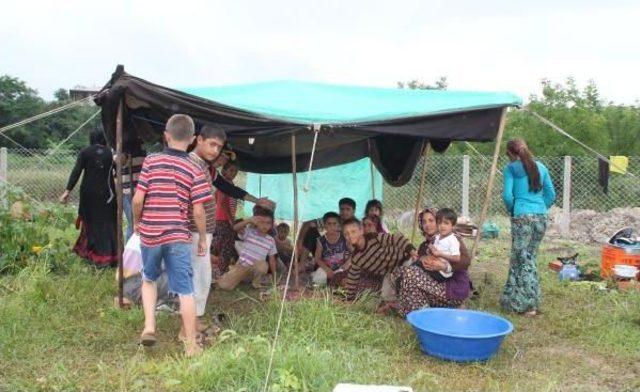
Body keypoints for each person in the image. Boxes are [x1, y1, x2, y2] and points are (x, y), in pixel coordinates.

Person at [132, 114, 211, 357]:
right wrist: (202, 237)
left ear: (166, 136)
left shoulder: (151, 161)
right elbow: (198, 210)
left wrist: (137, 221)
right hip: (178, 235)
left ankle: (149, 326)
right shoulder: (194, 168)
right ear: (192, 140)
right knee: (185, 290)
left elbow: (137, 198)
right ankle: (190, 345)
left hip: (151, 233)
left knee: (149, 279)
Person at [500, 138, 556, 316]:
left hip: (521, 216)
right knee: (529, 257)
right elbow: (551, 194)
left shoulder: (510, 169)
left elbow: (508, 196)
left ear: (510, 153)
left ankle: (527, 304)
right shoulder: (541, 167)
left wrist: (515, 210)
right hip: (540, 217)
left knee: (521, 259)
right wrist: (539, 208)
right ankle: (513, 300)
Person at [394, 207, 472, 317]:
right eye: (424, 222)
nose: (427, 224)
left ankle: (422, 313)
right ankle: (422, 311)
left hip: (452, 287)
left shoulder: (452, 238)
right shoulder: (424, 246)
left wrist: (444, 267)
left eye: (431, 220)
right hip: (435, 284)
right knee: (401, 272)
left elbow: (466, 261)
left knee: (410, 274)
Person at [59, 127, 117, 268]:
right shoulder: (110, 153)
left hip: (88, 194)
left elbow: (77, 171)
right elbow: (115, 172)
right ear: (104, 138)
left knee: (91, 222)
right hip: (107, 195)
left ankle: (93, 254)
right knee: (106, 223)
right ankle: (110, 256)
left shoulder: (85, 152)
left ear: (92, 138)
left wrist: (67, 191)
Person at [341, 218, 416, 300]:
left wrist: (412, 251)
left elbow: (397, 238)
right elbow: (352, 280)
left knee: (408, 285)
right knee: (386, 297)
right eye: (346, 234)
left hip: (404, 261)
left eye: (353, 231)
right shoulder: (356, 259)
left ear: (361, 231)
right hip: (390, 273)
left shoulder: (375, 237)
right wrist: (348, 299)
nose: (350, 235)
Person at [217, 206, 278, 291]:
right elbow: (235, 228)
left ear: (272, 224)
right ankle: (235, 275)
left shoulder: (271, 240)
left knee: (262, 265)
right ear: (256, 222)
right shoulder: (249, 232)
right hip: (242, 267)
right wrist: (249, 220)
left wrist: (275, 276)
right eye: (261, 222)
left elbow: (272, 259)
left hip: (255, 269)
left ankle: (255, 283)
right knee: (224, 285)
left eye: (268, 223)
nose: (265, 225)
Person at [297, 198, 356, 265]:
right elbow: (308, 222)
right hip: (327, 252)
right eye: (342, 209)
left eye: (348, 209)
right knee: (312, 231)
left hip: (345, 256)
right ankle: (301, 264)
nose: (344, 212)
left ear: (353, 211)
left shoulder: (358, 225)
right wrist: (300, 240)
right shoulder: (334, 219)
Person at [114, 138, 146, 241]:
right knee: (133, 222)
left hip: (136, 193)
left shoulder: (142, 155)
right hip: (129, 193)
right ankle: (130, 250)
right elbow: (119, 160)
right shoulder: (123, 155)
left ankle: (132, 249)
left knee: (134, 222)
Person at [212, 160, 240, 277]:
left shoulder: (226, 185)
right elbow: (223, 203)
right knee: (226, 247)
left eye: (236, 171)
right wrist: (231, 220)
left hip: (221, 219)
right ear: (224, 171)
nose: (234, 173)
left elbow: (216, 199)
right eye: (231, 170)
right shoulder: (225, 185)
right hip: (224, 220)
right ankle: (221, 272)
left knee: (221, 244)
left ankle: (219, 269)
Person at [311, 212, 350, 286]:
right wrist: (326, 269)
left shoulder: (344, 238)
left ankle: (336, 283)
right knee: (319, 278)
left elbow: (354, 253)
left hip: (341, 268)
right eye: (329, 224)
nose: (332, 226)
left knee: (347, 279)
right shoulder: (321, 240)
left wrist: (347, 264)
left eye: (334, 224)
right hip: (327, 269)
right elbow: (317, 258)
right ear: (325, 225)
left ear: (339, 225)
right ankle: (327, 283)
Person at [423, 208, 460, 282]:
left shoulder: (453, 240)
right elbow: (436, 252)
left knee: (414, 269)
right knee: (414, 267)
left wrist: (441, 255)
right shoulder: (437, 237)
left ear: (453, 226)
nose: (442, 226)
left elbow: (457, 258)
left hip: (442, 273)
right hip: (433, 267)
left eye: (446, 223)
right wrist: (431, 249)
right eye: (439, 223)